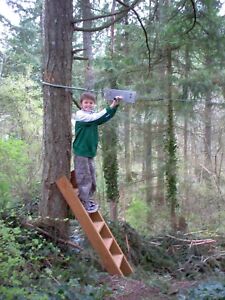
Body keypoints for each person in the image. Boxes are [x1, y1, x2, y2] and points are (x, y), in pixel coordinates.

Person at [73, 92, 121, 213]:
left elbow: (104, 117)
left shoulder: (92, 116)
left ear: (93, 104)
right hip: (81, 151)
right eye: (86, 102)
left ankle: (88, 199)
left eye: (91, 103)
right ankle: (84, 202)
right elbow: (97, 117)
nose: (88, 105)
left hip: (90, 152)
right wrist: (110, 106)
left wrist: (114, 105)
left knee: (92, 177)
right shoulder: (81, 115)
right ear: (81, 104)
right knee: (84, 177)